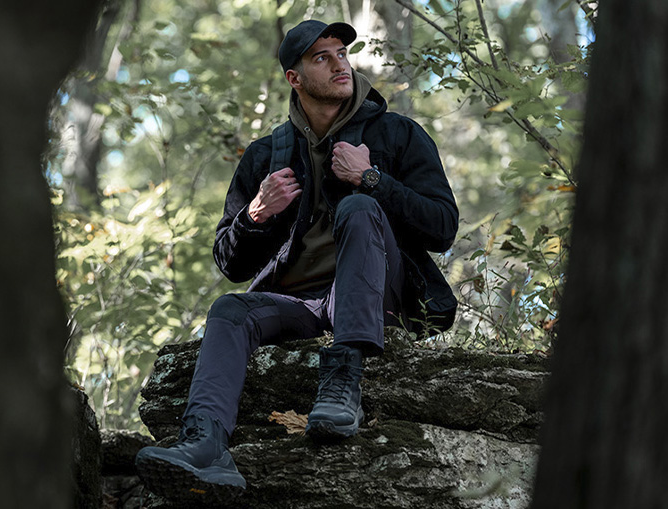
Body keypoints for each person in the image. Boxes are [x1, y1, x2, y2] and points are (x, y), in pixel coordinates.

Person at [135, 19, 458, 503]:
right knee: (230, 308)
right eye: (321, 58)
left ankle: (342, 385)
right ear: (295, 78)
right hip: (300, 304)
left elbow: (443, 228)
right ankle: (205, 443)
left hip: (377, 296)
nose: (339, 64)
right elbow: (230, 263)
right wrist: (255, 214)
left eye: (341, 53)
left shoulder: (397, 134)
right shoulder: (267, 155)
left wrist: (372, 179)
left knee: (358, 206)